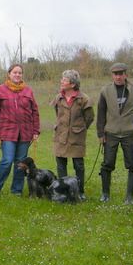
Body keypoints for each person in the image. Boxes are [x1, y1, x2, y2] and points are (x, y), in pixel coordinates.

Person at [0, 64, 40, 196]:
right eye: (15, 72)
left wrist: (36, 131)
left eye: (20, 73)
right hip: (7, 132)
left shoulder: (28, 91)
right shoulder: (0, 90)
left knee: (20, 163)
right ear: (9, 74)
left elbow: (35, 111)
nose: (17, 75)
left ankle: (16, 190)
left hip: (26, 133)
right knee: (7, 160)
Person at [96, 62, 133, 204]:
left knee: (132, 165)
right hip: (110, 132)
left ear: (125, 75)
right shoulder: (105, 91)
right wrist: (100, 133)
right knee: (107, 164)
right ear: (112, 75)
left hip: (129, 133)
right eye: (115, 74)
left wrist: (131, 122)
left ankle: (129, 196)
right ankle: (105, 194)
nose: (118, 77)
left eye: (121, 74)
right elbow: (101, 113)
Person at [50, 69, 94, 200]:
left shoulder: (84, 99)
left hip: (77, 137)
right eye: (62, 79)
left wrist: (78, 128)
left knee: (78, 165)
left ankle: (80, 191)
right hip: (60, 136)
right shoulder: (58, 98)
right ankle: (62, 191)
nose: (61, 81)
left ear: (73, 84)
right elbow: (57, 113)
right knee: (60, 164)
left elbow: (89, 118)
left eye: (65, 80)